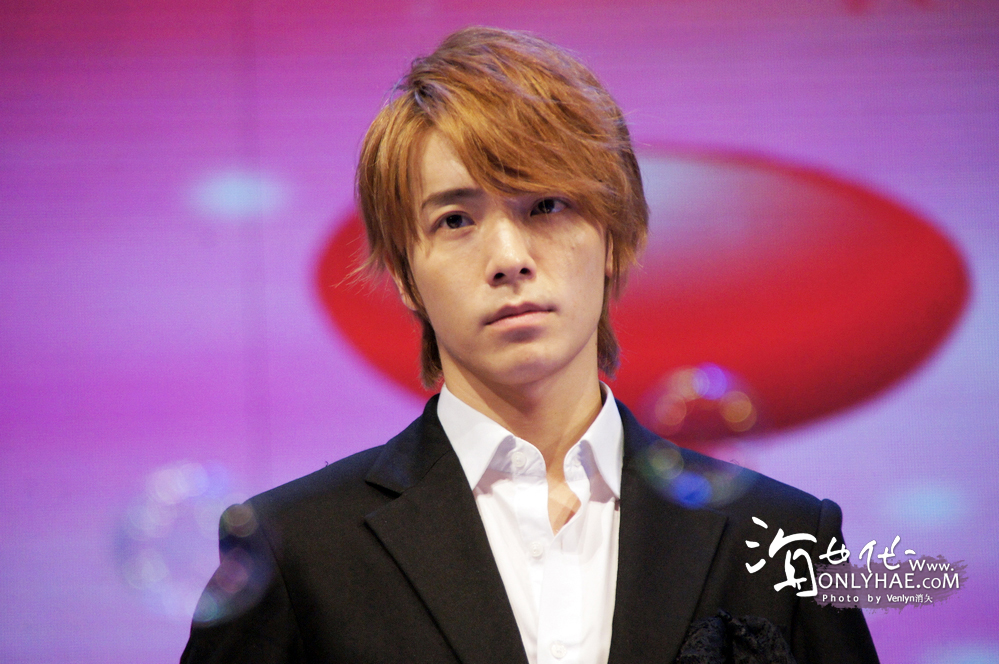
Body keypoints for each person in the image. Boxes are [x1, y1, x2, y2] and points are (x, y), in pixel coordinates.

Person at [181, 26, 879, 664]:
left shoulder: (783, 537)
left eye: (546, 205)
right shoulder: (296, 548)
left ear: (616, 236)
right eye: (456, 220)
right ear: (403, 273)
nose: (508, 258)